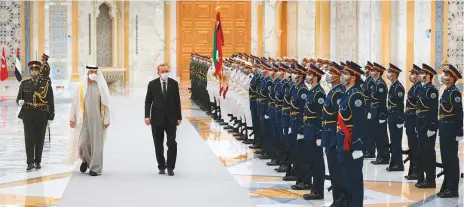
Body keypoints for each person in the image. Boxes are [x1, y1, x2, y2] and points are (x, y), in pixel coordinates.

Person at [67, 65, 111, 176]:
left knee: (97, 144)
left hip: (98, 119)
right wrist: (72, 118)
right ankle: (85, 160)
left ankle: (95, 168)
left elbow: (106, 104)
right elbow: (74, 103)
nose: (92, 73)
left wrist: (106, 119)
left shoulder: (101, 87)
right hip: (84, 119)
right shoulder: (80, 87)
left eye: (94, 72)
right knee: (83, 142)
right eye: (90, 71)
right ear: (87, 73)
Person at [337, 61, 367, 207]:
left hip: (351, 144)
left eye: (346, 74)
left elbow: (360, 123)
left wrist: (358, 146)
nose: (342, 76)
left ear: (353, 77)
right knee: (347, 178)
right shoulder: (347, 94)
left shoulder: (356, 96)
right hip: (343, 142)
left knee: (354, 179)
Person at [17, 61, 55, 171]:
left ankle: (38, 161)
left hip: (41, 113)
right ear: (30, 71)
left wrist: (51, 116)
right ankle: (30, 162)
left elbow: (50, 101)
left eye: (36, 70)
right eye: (32, 70)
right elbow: (18, 98)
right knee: (29, 139)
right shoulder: (24, 84)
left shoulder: (46, 84)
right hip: (28, 114)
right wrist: (19, 101)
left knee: (40, 139)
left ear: (39, 71)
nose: (34, 72)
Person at [145, 64, 182, 176]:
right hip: (157, 119)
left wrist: (179, 117)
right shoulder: (152, 84)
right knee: (158, 144)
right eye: (163, 71)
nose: (165, 73)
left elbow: (177, 101)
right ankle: (161, 165)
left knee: (171, 143)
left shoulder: (174, 84)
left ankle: (170, 167)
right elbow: (148, 101)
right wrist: (147, 116)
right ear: (158, 72)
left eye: (166, 71)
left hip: (171, 119)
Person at [436, 64, 462, 198]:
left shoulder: (455, 92)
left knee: (451, 159)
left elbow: (459, 113)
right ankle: (446, 186)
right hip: (444, 129)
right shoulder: (446, 91)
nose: (444, 77)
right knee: (446, 159)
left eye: (447, 75)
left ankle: (453, 189)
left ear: (452, 78)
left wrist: (459, 131)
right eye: (444, 74)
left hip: (451, 130)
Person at [415, 63, 438, 188]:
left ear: (429, 75)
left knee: (429, 153)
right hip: (420, 123)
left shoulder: (432, 90)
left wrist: (432, 127)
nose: (421, 75)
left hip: (427, 124)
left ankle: (431, 180)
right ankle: (424, 177)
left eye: (423, 73)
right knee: (423, 152)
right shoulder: (422, 88)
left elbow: (434, 110)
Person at [404, 64, 422, 180]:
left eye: (414, 74)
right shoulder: (414, 87)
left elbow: (419, 106)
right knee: (412, 146)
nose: (412, 76)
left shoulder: (419, 87)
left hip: (414, 120)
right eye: (412, 74)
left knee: (415, 147)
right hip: (410, 120)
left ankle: (416, 171)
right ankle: (412, 170)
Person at [386, 63, 405, 171]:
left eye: (390, 72)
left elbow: (399, 105)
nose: (388, 74)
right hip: (391, 116)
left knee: (396, 142)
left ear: (395, 74)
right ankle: (393, 163)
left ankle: (399, 164)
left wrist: (399, 119)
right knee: (393, 141)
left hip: (396, 117)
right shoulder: (393, 86)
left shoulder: (398, 87)